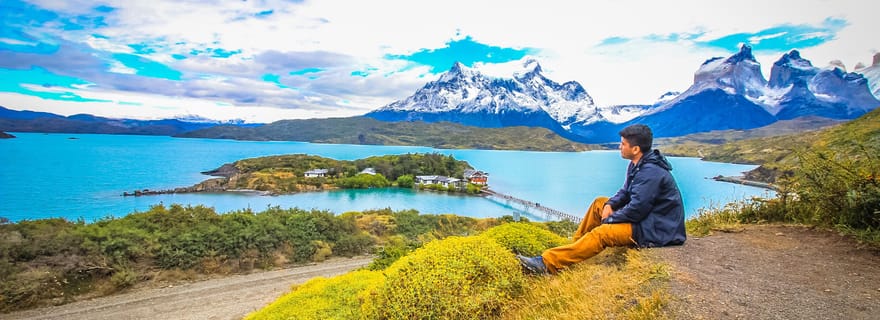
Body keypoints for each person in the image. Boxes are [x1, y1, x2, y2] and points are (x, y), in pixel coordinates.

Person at [517, 124, 686, 274]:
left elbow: (637, 210)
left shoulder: (650, 172)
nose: (619, 147)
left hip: (656, 229)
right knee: (600, 203)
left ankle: (546, 264)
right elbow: (625, 192)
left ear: (635, 149)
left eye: (623, 144)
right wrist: (610, 204)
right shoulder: (637, 164)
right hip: (646, 219)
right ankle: (575, 247)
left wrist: (610, 219)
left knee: (602, 233)